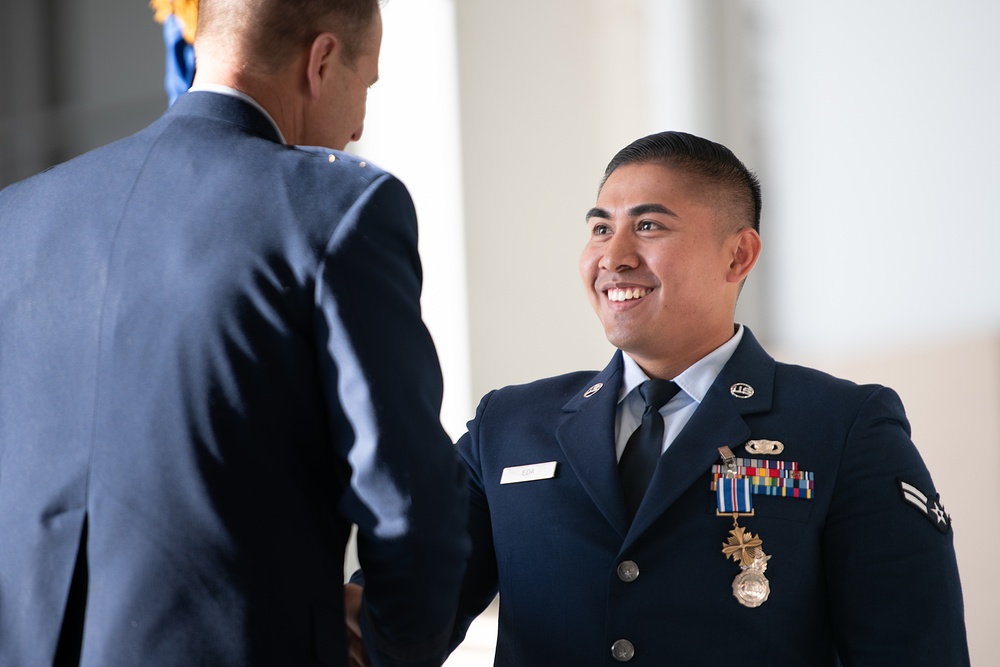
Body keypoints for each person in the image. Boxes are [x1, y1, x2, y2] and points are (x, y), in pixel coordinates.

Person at [0, 1, 469, 666]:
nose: (361, 120)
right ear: (323, 61)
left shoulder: (15, 218)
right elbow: (408, 498)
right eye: (365, 84)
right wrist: (389, 643)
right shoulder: (337, 210)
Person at [442, 131, 969, 664]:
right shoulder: (508, 426)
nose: (614, 256)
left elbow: (915, 650)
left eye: (648, 226)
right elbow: (405, 607)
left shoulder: (843, 427)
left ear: (738, 255)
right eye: (601, 228)